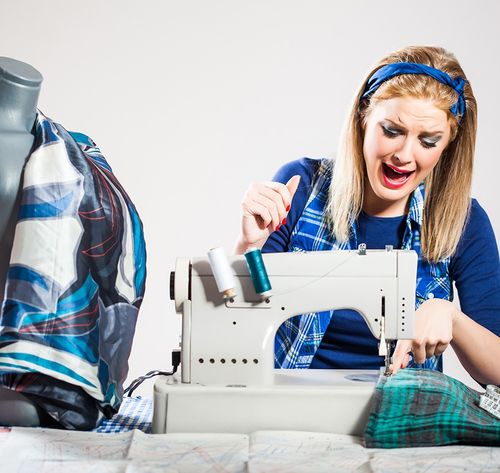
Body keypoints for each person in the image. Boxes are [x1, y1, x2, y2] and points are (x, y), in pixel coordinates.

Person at [235, 46, 500, 387]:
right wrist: (249, 247)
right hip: (289, 412)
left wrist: (451, 317)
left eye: (428, 141)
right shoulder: (301, 188)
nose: (404, 155)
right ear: (363, 116)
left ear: (448, 143)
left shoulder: (461, 221)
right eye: (391, 131)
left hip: (399, 424)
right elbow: (241, 321)